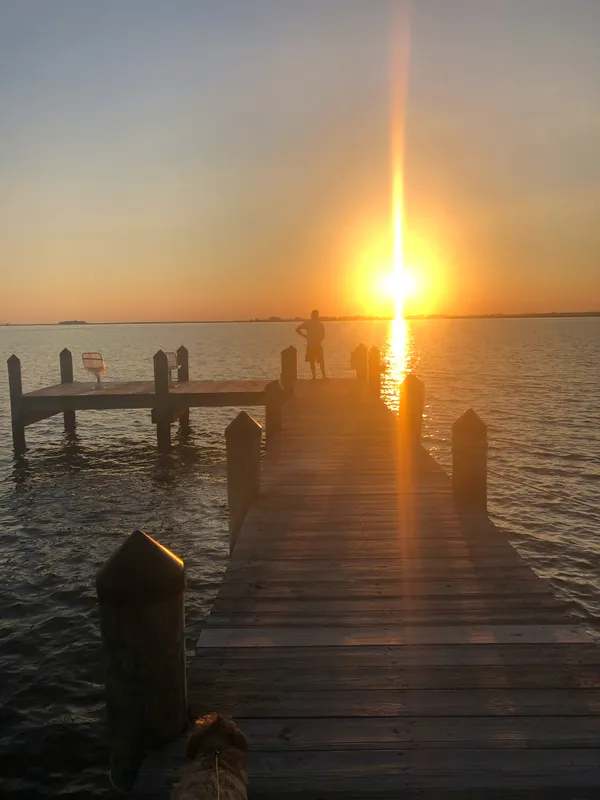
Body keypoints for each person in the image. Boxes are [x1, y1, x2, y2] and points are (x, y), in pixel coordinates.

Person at [296, 309, 326, 379]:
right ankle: (316, 376)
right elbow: (297, 329)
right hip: (312, 345)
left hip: (316, 345)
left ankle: (322, 376)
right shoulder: (309, 323)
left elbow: (323, 335)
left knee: (318, 361)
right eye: (315, 315)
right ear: (312, 315)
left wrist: (320, 339)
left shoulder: (319, 324)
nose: (316, 316)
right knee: (313, 361)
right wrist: (305, 336)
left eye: (317, 315)